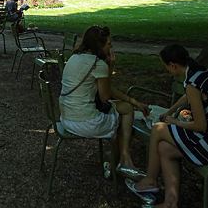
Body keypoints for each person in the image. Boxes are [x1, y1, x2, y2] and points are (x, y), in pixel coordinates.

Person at [126, 45, 208, 208]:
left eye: (166, 66)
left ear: (173, 65)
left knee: (159, 129)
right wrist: (169, 112)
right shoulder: (201, 74)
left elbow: (200, 126)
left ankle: (150, 181)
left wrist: (173, 121)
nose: (166, 70)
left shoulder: (193, 83)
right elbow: (186, 98)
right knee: (164, 149)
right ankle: (170, 205)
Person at [59, 26, 148, 179]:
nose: (111, 47)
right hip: (85, 122)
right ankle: (124, 160)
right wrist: (110, 66)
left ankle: (120, 161)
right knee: (126, 112)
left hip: (66, 118)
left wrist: (133, 100)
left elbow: (105, 90)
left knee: (124, 109)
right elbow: (105, 96)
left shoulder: (75, 57)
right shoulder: (97, 64)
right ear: (99, 46)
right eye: (109, 44)